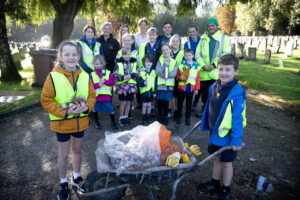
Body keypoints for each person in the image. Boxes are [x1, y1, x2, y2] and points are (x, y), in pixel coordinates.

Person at [41, 41, 96, 200]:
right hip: (62, 123)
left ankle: (76, 177)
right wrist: (63, 112)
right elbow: (46, 100)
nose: (71, 57)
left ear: (78, 57)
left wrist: (86, 108)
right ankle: (63, 182)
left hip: (80, 121)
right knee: (64, 154)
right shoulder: (53, 76)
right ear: (60, 57)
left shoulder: (85, 75)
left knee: (78, 150)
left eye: (74, 54)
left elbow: (92, 96)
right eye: (67, 54)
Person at [198, 54, 246, 200]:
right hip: (215, 133)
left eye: (228, 70)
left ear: (236, 71)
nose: (223, 73)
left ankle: (225, 189)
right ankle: (214, 183)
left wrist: (236, 140)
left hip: (228, 137)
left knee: (227, 163)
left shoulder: (236, 94)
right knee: (216, 158)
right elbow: (210, 107)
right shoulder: (214, 86)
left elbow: (238, 119)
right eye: (221, 69)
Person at [194, 18, 231, 117]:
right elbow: (197, 54)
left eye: (213, 25)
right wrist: (203, 65)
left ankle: (215, 113)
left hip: (216, 72)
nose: (211, 27)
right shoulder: (203, 38)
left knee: (216, 94)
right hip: (204, 72)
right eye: (209, 25)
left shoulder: (224, 38)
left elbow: (225, 54)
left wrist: (214, 65)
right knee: (205, 95)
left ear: (216, 26)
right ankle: (204, 111)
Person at [90, 55, 118, 130]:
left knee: (110, 109)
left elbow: (112, 82)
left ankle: (113, 122)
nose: (98, 66)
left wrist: (105, 81)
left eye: (100, 64)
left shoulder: (108, 73)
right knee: (95, 109)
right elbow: (90, 86)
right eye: (96, 64)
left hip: (106, 96)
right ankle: (96, 122)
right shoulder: (92, 75)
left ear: (103, 64)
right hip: (97, 96)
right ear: (93, 64)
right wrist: (98, 85)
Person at [113, 47, 139, 127]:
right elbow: (114, 74)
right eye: (125, 54)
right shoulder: (119, 64)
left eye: (128, 54)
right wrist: (122, 77)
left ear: (130, 55)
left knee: (128, 102)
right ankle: (121, 117)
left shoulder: (134, 63)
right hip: (122, 87)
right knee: (123, 103)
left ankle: (126, 117)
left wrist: (132, 75)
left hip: (131, 87)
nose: (127, 56)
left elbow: (138, 74)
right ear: (122, 55)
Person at [176, 48, 200, 125]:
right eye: (186, 55)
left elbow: (198, 79)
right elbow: (177, 76)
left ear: (193, 56)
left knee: (189, 104)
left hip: (190, 88)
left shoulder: (197, 66)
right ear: (184, 56)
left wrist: (196, 89)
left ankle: (187, 118)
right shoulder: (182, 65)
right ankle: (179, 117)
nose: (188, 57)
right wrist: (180, 78)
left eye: (190, 55)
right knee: (180, 104)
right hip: (182, 88)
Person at [155, 43, 178, 125]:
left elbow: (173, 74)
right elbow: (157, 71)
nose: (165, 51)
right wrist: (165, 64)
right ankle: (160, 117)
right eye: (163, 50)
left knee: (166, 103)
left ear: (170, 50)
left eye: (167, 49)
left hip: (169, 86)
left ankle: (165, 117)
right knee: (160, 102)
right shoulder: (160, 60)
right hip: (161, 86)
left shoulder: (174, 62)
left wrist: (164, 74)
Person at [138, 54, 157, 125]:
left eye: (150, 62)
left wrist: (155, 92)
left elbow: (155, 83)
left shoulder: (153, 72)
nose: (148, 63)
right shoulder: (141, 72)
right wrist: (143, 83)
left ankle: (148, 117)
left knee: (149, 105)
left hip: (151, 92)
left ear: (152, 63)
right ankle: (143, 118)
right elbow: (139, 82)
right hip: (144, 92)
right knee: (144, 105)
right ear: (144, 63)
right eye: (146, 62)